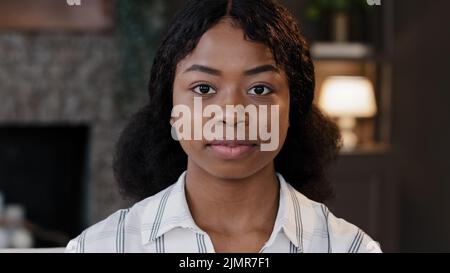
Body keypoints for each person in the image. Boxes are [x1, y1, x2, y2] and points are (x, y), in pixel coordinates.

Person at [66, 0, 381, 253]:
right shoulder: (99, 246)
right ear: (170, 109)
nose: (231, 114)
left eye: (259, 89)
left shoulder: (349, 248)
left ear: (293, 108)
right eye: (203, 89)